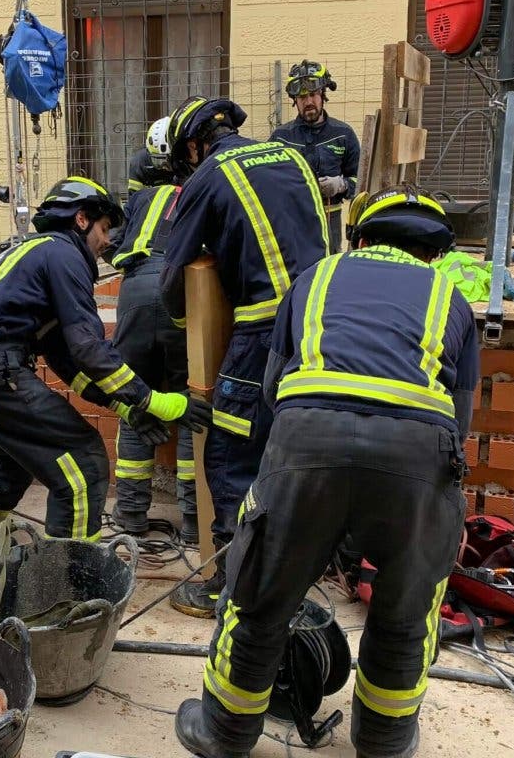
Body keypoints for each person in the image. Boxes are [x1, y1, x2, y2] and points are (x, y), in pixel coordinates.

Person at [173, 188, 479, 758]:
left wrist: (297, 492)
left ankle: (225, 734)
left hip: (307, 437)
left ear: (360, 237)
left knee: (261, 594)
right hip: (418, 454)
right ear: (432, 254)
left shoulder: (315, 277)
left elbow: (271, 391)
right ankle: (384, 742)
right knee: (405, 610)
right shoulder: (452, 298)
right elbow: (458, 422)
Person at [0, 176, 212, 578]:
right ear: (81, 219)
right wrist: (153, 400)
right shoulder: (65, 256)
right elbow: (90, 349)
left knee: (9, 462)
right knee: (83, 465)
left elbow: (67, 361)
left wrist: (124, 407)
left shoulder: (37, 253)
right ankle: (68, 585)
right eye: (103, 229)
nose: (106, 241)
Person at [159, 96, 328, 618]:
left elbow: (173, 275)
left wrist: (189, 333)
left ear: (193, 144)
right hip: (323, 323)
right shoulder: (294, 156)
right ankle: (292, 572)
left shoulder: (207, 177)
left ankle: (229, 586)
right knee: (294, 449)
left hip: (262, 333)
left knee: (231, 455)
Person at [104, 140, 196, 541]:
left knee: (135, 400)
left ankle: (131, 517)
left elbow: (112, 247)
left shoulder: (139, 199)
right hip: (183, 292)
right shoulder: (201, 193)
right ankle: (194, 524)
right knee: (191, 407)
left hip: (136, 292)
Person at [271, 60, 360, 254]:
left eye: (312, 95)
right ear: (295, 100)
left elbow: (361, 180)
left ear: (322, 95)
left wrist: (342, 184)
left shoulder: (344, 134)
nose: (308, 102)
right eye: (302, 97)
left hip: (331, 220)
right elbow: (268, 183)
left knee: (329, 268)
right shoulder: (281, 137)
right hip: (293, 220)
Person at [126, 115, 174, 196]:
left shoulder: (188, 163)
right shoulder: (139, 164)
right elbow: (134, 200)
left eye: (169, 161)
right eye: (159, 161)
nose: (164, 167)